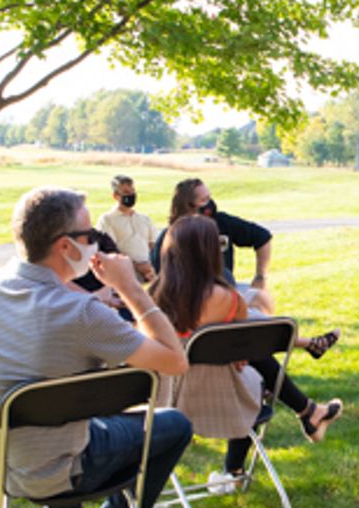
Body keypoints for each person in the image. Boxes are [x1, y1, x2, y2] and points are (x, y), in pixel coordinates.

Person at [0, 187, 192, 508]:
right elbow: (174, 361)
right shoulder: (81, 315)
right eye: (89, 236)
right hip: (47, 471)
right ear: (65, 247)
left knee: (70, 412)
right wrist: (128, 287)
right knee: (173, 424)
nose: (96, 243)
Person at [151, 214, 342, 488]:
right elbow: (249, 342)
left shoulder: (151, 299)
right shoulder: (228, 300)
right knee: (257, 375)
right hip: (223, 403)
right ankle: (236, 468)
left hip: (166, 404)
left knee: (252, 362)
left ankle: (308, 412)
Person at [154, 177, 340, 358]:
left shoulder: (221, 221)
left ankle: (284, 351)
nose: (210, 204)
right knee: (251, 327)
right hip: (195, 301)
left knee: (259, 301)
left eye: (210, 197)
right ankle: (306, 344)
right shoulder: (171, 238)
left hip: (223, 292)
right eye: (204, 200)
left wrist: (260, 277)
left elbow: (262, 237)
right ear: (188, 204)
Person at [97, 174, 157, 282]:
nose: (131, 195)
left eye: (132, 191)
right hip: (123, 276)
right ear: (115, 196)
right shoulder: (107, 219)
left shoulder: (145, 219)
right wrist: (137, 266)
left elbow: (152, 246)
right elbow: (110, 250)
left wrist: (149, 269)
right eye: (125, 192)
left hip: (148, 274)